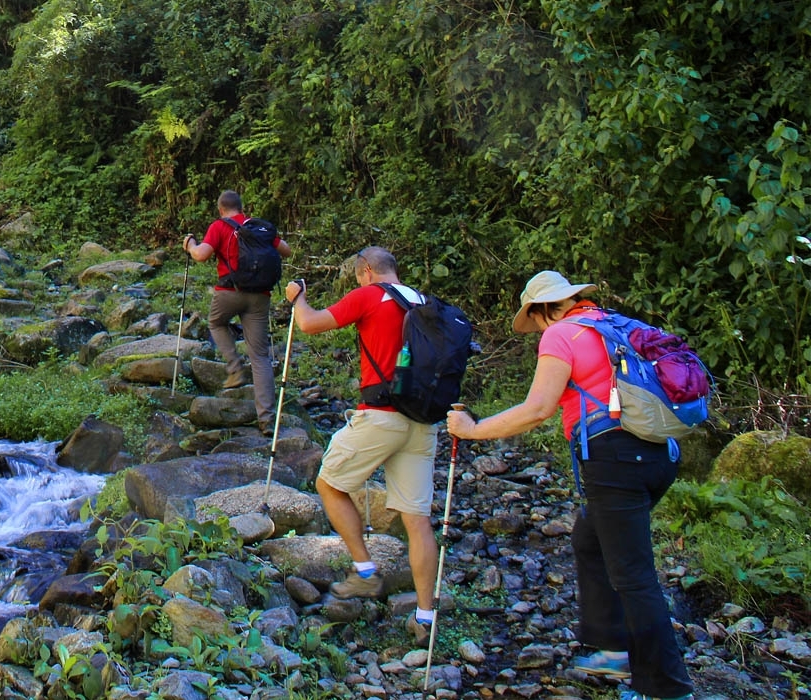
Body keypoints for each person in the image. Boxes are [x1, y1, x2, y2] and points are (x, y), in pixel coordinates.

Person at [446, 271, 694, 700]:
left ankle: (667, 688)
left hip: (615, 462)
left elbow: (537, 408)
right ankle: (613, 649)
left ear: (541, 310)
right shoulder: (620, 325)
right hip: (659, 456)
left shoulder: (561, 335)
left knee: (634, 577)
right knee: (589, 540)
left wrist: (473, 429)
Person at [282, 246, 439, 647]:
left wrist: (297, 297)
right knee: (417, 520)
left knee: (329, 484)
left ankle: (365, 572)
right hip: (422, 421)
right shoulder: (424, 301)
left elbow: (311, 324)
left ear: (367, 271)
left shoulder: (371, 295)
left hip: (380, 415)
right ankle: (424, 617)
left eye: (357, 276)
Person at [183, 190, 292, 435]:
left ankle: (234, 368)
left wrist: (190, 244)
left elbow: (201, 255)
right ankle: (266, 420)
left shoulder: (219, 226)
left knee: (216, 323)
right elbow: (286, 250)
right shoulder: (256, 227)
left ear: (221, 209)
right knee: (260, 356)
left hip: (229, 292)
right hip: (260, 297)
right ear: (242, 208)